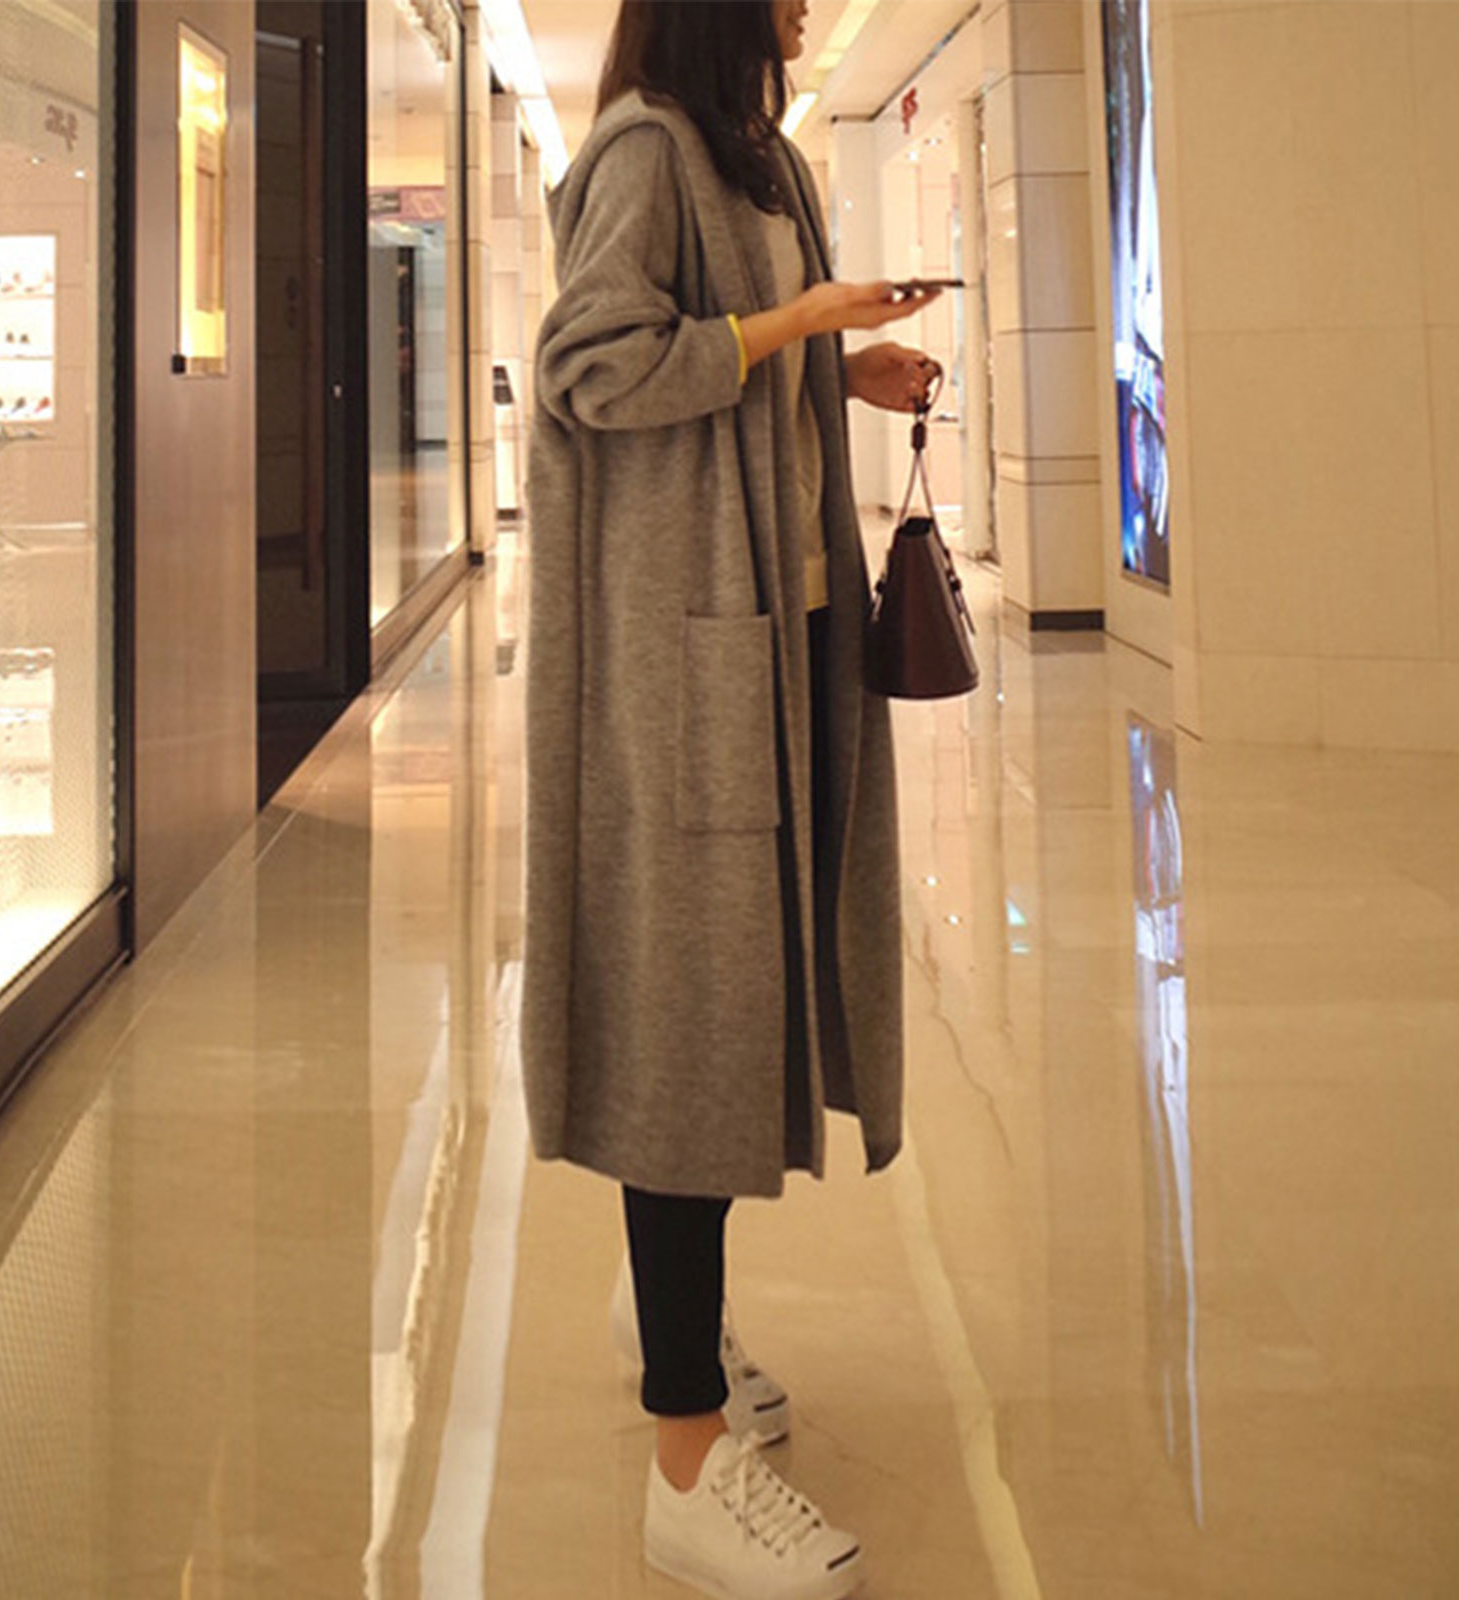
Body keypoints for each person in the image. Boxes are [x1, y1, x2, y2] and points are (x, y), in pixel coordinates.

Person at [523, 3, 940, 1596]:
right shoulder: (647, 153)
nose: (808, 3)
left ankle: (670, 1314)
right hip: (687, 657)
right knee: (692, 1012)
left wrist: (842, 363)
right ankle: (686, 1464)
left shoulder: (764, 160)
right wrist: (792, 329)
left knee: (740, 1001)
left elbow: (744, 355)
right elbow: (591, 367)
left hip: (786, 642)